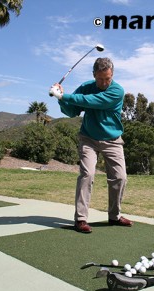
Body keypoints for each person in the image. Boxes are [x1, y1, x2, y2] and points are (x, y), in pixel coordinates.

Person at [51, 57, 133, 233]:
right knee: (87, 174)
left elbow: (94, 101)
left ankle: (114, 216)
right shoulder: (86, 87)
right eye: (100, 78)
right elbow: (71, 111)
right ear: (94, 75)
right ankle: (81, 219)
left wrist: (64, 96)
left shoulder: (117, 91)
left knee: (120, 177)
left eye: (108, 78)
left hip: (113, 140)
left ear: (112, 75)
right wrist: (60, 98)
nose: (104, 82)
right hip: (88, 138)